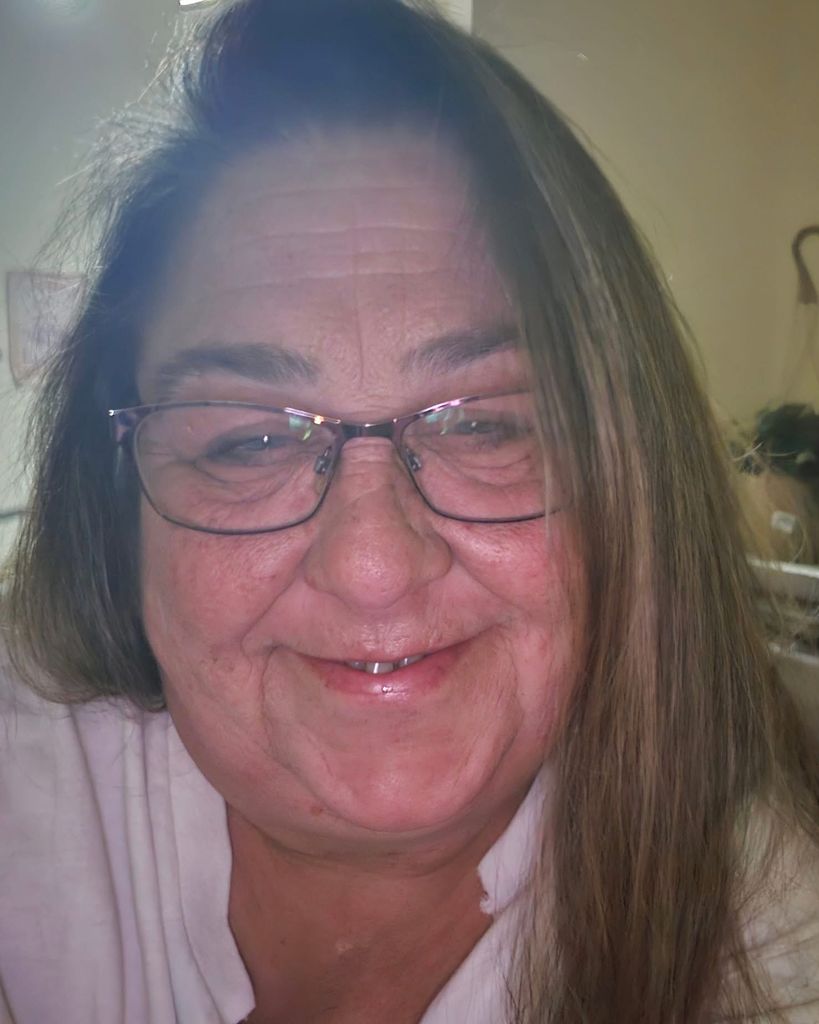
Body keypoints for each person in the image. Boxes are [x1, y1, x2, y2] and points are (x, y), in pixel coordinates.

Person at [1, 1, 817, 1021]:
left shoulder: (772, 961)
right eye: (249, 441)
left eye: (482, 424)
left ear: (630, 479)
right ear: (117, 506)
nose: (373, 565)